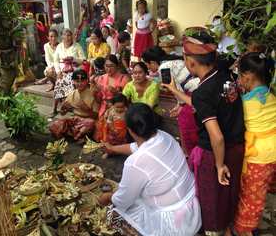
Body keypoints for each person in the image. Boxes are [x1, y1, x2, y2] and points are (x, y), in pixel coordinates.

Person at [163, 29, 245, 236]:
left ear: (190, 61)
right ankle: (228, 226)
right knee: (229, 192)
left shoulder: (203, 90)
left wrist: (218, 165)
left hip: (215, 153)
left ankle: (214, 231)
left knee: (212, 198)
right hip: (236, 148)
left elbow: (216, 136)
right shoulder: (226, 78)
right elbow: (204, 105)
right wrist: (175, 90)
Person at [97, 103, 202, 236]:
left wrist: (107, 197)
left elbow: (123, 201)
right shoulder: (165, 136)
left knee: (113, 213)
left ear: (129, 130)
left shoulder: (134, 163)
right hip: (192, 208)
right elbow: (136, 147)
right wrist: (111, 148)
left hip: (173, 222)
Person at [232, 52, 276, 236]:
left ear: (246, 77)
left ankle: (245, 230)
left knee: (250, 198)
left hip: (257, 156)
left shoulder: (244, 103)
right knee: (261, 192)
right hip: (272, 150)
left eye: (239, 75)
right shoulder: (272, 96)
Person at [142, 45, 200, 156]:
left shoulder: (163, 68)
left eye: (147, 64)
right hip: (194, 90)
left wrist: (181, 105)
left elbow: (175, 89)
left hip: (194, 92)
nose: (148, 68)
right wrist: (179, 105)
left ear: (153, 62)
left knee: (184, 117)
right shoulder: (172, 60)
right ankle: (185, 151)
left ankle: (187, 152)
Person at [49, 70, 100, 145]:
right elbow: (63, 113)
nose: (80, 84)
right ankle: (81, 135)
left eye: (82, 81)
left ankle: (74, 134)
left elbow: (96, 116)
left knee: (90, 123)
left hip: (87, 122)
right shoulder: (71, 94)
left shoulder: (93, 94)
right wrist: (62, 108)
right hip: (75, 121)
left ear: (87, 81)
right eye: (77, 81)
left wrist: (87, 109)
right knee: (57, 123)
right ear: (73, 81)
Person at [92, 55, 131, 142]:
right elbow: (100, 100)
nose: (109, 68)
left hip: (118, 109)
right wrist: (94, 94)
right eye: (106, 66)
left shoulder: (124, 79)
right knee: (98, 138)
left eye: (112, 66)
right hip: (103, 108)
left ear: (117, 65)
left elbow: (127, 100)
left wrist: (118, 94)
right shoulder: (101, 78)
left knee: (115, 134)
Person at [49, 28, 86, 118]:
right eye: (67, 35)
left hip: (74, 70)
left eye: (71, 35)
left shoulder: (77, 46)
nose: (70, 37)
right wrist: (58, 71)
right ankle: (54, 107)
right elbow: (56, 61)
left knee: (70, 80)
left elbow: (83, 60)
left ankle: (67, 106)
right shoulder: (60, 46)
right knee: (58, 81)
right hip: (63, 70)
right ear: (63, 37)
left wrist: (73, 59)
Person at [102, 93, 128, 159]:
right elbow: (109, 122)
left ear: (125, 105)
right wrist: (113, 130)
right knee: (111, 142)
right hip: (114, 131)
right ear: (113, 105)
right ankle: (108, 152)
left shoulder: (126, 111)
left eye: (122, 107)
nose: (119, 109)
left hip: (123, 130)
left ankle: (121, 151)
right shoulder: (112, 113)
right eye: (117, 107)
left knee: (122, 142)